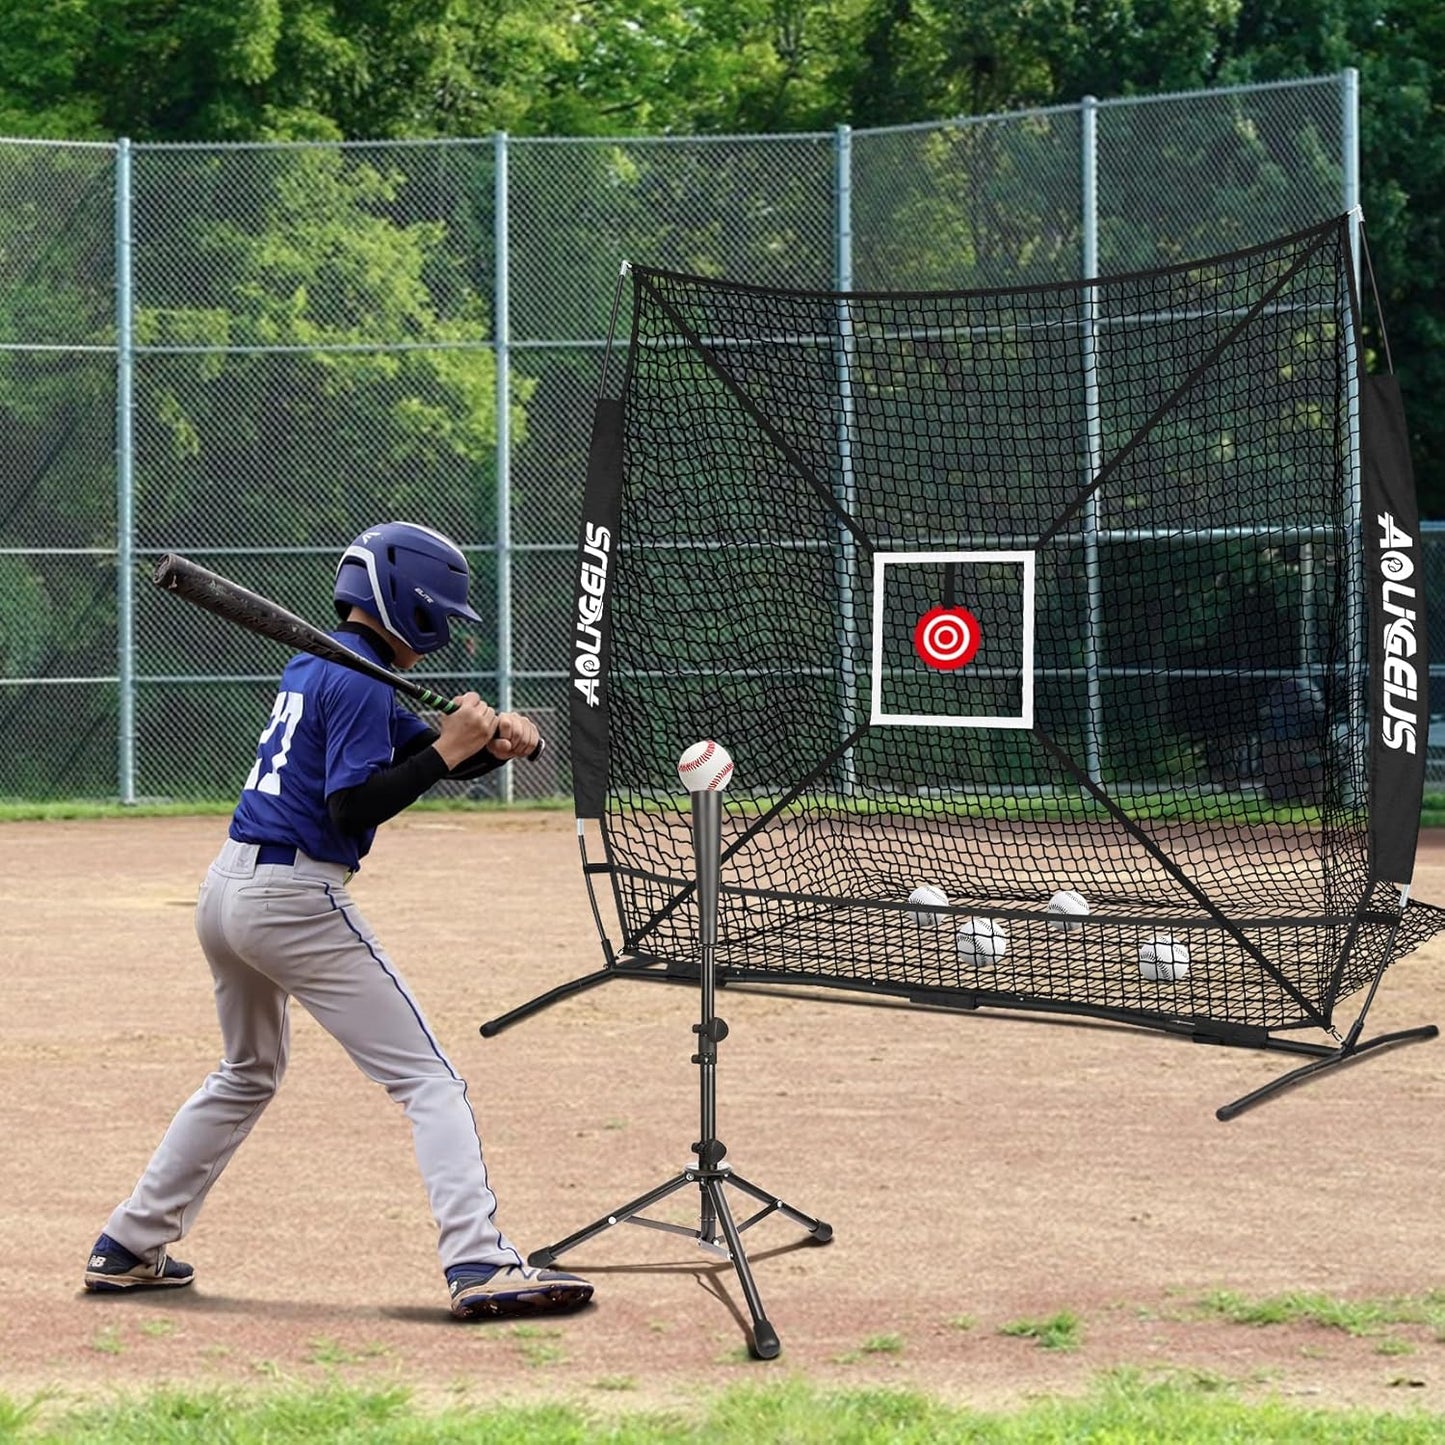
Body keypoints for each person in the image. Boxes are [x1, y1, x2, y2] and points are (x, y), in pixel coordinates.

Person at [83, 522, 593, 1321]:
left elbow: (424, 760)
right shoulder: (359, 680)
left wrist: (495, 745)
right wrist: (451, 752)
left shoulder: (323, 662)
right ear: (412, 606)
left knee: (246, 1071)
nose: (443, 638)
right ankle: (479, 1261)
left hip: (228, 889)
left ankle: (130, 1241)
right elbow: (354, 803)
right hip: (292, 896)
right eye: (442, 619)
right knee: (430, 1079)